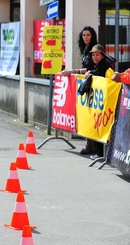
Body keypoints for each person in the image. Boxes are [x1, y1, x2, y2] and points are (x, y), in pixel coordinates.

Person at [61, 26, 99, 155]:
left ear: (92, 36)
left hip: (94, 87)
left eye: (88, 35)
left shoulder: (95, 49)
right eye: (83, 35)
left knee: (92, 116)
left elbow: (90, 69)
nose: (85, 37)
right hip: (86, 86)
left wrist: (72, 71)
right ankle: (90, 144)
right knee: (86, 115)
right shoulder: (85, 50)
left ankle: (94, 146)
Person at [85, 44, 112, 160]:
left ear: (102, 55)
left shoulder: (105, 66)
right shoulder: (99, 65)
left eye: (97, 55)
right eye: (93, 55)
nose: (95, 57)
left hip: (105, 103)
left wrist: (90, 74)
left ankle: (101, 153)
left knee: (102, 127)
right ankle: (101, 152)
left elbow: (101, 79)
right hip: (101, 103)